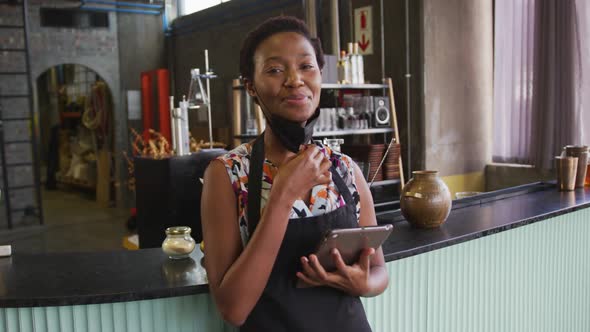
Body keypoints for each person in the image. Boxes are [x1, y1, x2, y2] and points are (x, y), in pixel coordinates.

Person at [201, 16, 389, 331]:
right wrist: (283, 195)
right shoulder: (227, 174)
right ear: (251, 86)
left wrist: (363, 284)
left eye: (306, 66)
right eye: (275, 70)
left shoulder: (345, 169)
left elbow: (380, 271)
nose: (294, 80)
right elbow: (233, 309)